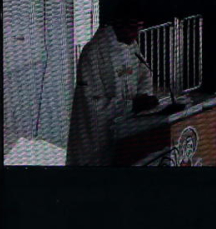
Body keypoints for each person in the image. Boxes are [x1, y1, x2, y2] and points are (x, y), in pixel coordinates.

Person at [67, 17, 160, 166]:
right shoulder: (93, 52)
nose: (136, 34)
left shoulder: (131, 46)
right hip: (96, 142)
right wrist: (131, 105)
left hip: (125, 134)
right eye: (132, 28)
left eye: (139, 28)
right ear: (118, 25)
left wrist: (144, 96)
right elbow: (91, 105)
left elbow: (144, 74)